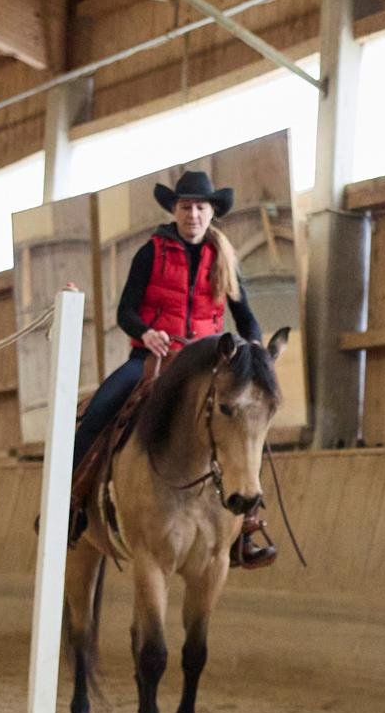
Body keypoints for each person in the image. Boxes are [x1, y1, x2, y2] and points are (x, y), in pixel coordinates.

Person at [73, 169, 276, 569]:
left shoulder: (224, 260)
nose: (193, 214)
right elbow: (125, 311)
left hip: (205, 363)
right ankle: (72, 507)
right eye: (186, 207)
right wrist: (146, 333)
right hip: (154, 359)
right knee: (96, 414)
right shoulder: (151, 251)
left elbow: (247, 318)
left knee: (246, 423)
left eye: (201, 207)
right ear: (175, 210)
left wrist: (253, 348)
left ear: (211, 212)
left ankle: (246, 524)